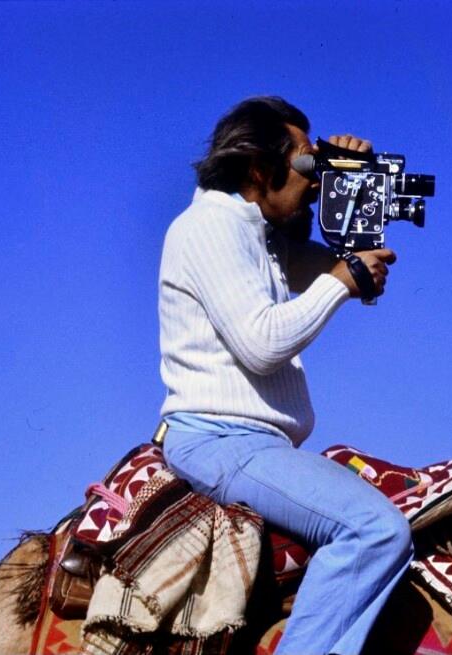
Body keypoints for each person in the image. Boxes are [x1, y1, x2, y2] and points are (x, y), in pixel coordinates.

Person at [158, 96, 412, 655]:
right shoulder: (209, 227)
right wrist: (342, 281)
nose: (310, 177)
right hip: (221, 441)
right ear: (257, 168)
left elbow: (345, 269)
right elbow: (263, 344)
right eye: (303, 161)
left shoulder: (260, 235)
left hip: (258, 445)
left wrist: (347, 180)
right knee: (374, 530)